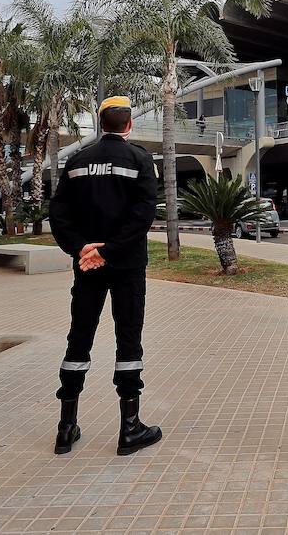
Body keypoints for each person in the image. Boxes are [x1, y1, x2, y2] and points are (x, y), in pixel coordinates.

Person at [48, 96, 163, 457]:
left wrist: (83, 249)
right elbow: (143, 217)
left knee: (78, 339)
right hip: (126, 266)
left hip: (87, 268)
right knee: (128, 340)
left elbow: (59, 214)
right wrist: (110, 250)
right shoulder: (140, 160)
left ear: (101, 124)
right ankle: (130, 429)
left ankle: (66, 428)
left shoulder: (77, 161)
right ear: (128, 125)